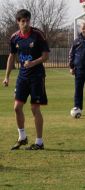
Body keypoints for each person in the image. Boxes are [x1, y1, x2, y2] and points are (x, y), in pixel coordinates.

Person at [3, 9, 50, 150]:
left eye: (27, 20)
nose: (25, 23)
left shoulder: (38, 35)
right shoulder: (14, 38)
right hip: (22, 77)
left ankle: (39, 142)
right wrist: (6, 77)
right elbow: (11, 57)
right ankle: (22, 137)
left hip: (37, 76)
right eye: (22, 21)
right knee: (17, 107)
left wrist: (33, 63)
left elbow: (46, 56)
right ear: (18, 22)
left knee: (35, 108)